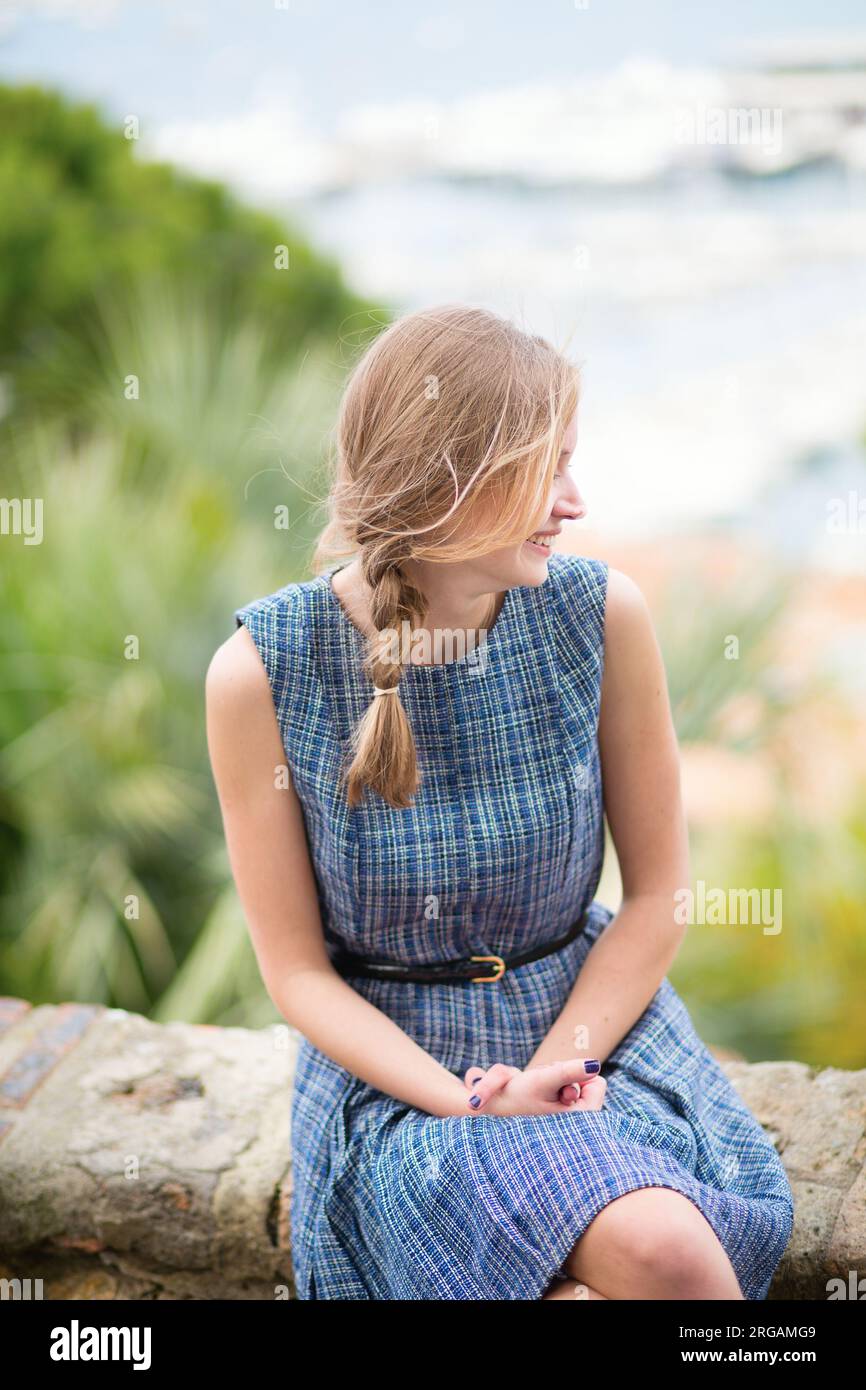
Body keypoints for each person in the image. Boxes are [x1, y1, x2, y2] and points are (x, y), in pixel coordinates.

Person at [205, 303, 794, 1300]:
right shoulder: (261, 671)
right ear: (446, 481)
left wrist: (553, 1072)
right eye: (544, 469)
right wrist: (472, 1104)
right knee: (658, 1258)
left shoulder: (599, 614)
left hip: (589, 1033)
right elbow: (298, 975)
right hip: (398, 1088)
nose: (572, 501)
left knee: (650, 1257)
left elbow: (656, 898)